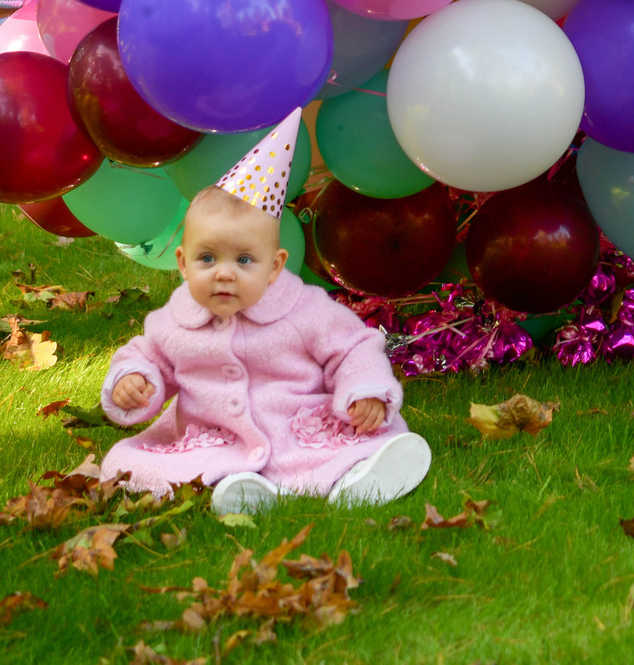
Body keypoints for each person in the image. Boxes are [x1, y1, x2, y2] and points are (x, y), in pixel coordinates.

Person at [100, 113, 432, 515]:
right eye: (207, 258)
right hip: (216, 436)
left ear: (274, 267)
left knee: (346, 445)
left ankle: (360, 477)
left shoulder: (303, 309)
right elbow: (147, 356)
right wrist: (136, 379)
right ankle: (238, 488)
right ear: (184, 264)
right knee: (125, 462)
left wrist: (364, 390)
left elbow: (353, 349)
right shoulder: (174, 323)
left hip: (296, 430)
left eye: (244, 259)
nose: (224, 272)